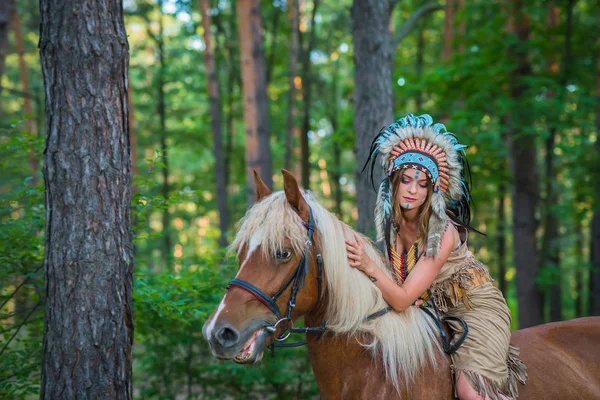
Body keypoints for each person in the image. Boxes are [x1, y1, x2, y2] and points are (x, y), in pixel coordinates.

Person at [345, 114, 527, 400]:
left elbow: (402, 297)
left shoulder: (442, 232)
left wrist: (368, 265)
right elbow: (402, 290)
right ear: (394, 181)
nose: (413, 190)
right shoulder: (393, 226)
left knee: (469, 392)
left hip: (474, 307)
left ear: (432, 191)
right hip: (434, 312)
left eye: (422, 184)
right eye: (406, 180)